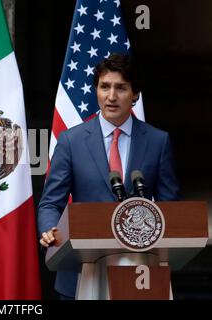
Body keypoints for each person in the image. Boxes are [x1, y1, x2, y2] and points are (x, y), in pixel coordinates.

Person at [38, 53, 180, 299]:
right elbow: (51, 202)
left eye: (121, 88)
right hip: (82, 272)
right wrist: (49, 228)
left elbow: (170, 207)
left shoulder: (158, 141)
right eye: (104, 87)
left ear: (135, 94)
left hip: (140, 274)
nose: (111, 96)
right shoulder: (71, 141)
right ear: (96, 90)